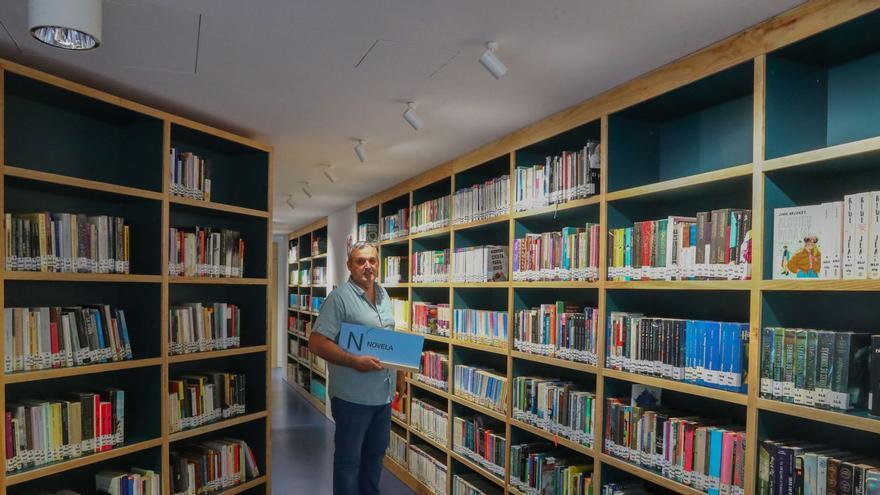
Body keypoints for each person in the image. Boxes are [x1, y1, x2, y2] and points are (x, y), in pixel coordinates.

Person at [310, 241, 407, 495]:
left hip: (383, 397)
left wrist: (401, 375)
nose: (368, 266)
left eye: (372, 261)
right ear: (349, 266)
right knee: (348, 462)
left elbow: (390, 339)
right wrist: (354, 361)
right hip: (352, 398)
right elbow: (317, 343)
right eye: (360, 261)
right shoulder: (339, 299)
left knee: (374, 459)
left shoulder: (385, 296)